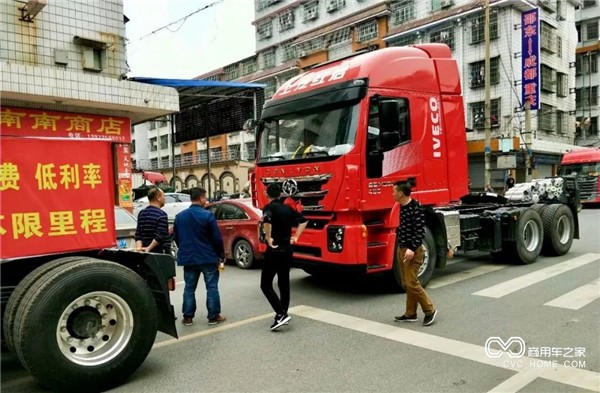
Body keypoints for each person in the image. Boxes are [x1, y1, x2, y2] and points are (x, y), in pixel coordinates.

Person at [173, 187, 226, 326]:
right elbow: (217, 239)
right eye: (205, 198)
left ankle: (188, 317)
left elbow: (177, 238)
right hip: (208, 257)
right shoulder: (207, 215)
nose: (206, 200)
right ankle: (213, 316)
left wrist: (185, 249)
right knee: (212, 287)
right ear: (201, 198)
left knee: (189, 288)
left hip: (189, 258)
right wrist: (220, 254)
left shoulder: (180, 217)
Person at [261, 183, 308, 331]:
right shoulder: (288, 209)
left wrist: (268, 238)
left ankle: (281, 313)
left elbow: (267, 221)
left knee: (266, 284)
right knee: (284, 283)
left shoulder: (268, 208)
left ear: (266, 194)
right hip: (287, 249)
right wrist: (296, 237)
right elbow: (304, 220)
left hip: (274, 249)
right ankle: (283, 314)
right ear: (280, 194)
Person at [392, 181, 437, 327]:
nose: (392, 194)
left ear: (400, 193)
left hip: (413, 251)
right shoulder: (401, 207)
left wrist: (411, 248)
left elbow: (419, 231)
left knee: (411, 282)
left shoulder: (415, 208)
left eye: (394, 191)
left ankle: (429, 310)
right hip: (402, 249)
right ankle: (410, 313)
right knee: (406, 282)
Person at [135, 187, 170, 254]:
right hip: (159, 253)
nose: (165, 199)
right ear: (158, 197)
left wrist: (139, 249)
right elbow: (160, 236)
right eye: (164, 196)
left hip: (143, 253)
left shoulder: (142, 213)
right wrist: (149, 248)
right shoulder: (161, 215)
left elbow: (138, 234)